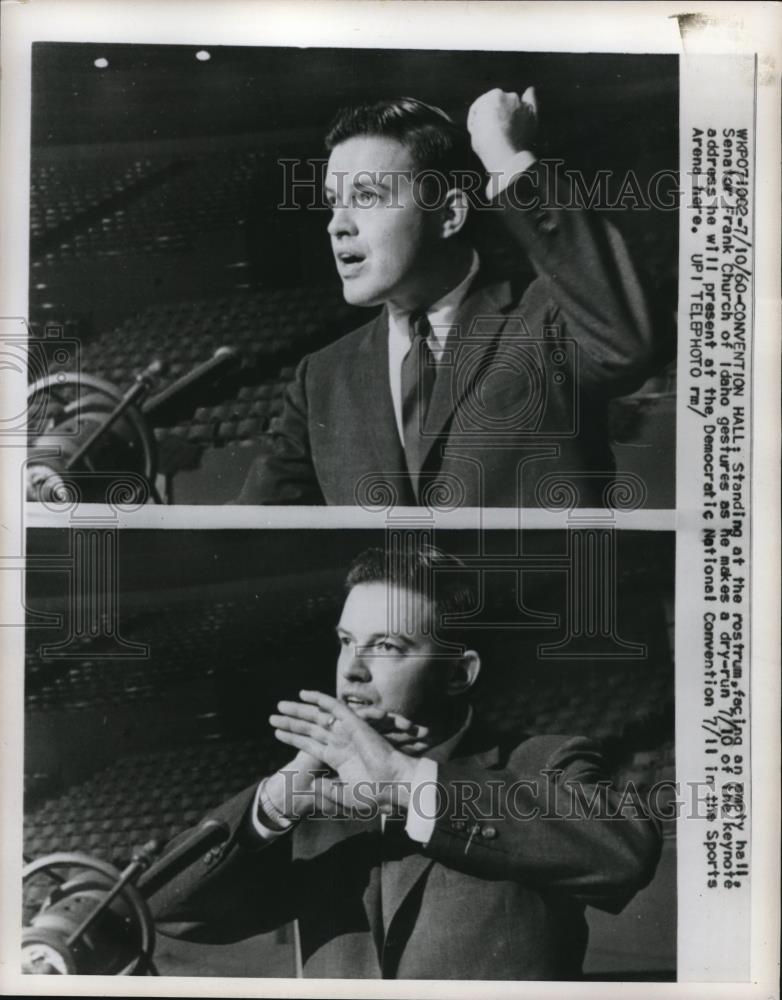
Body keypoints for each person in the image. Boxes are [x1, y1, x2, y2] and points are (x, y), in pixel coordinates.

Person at [149, 544, 662, 980]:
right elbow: (162, 907)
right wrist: (273, 803)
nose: (351, 670)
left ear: (458, 674)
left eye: (387, 647)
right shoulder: (313, 800)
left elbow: (627, 855)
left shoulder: (543, 761)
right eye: (346, 643)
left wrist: (403, 780)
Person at [236, 88, 655, 507]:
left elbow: (624, 342)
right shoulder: (320, 378)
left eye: (365, 197)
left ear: (449, 214)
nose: (337, 226)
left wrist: (503, 154)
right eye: (333, 203)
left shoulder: (547, 321)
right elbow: (247, 530)